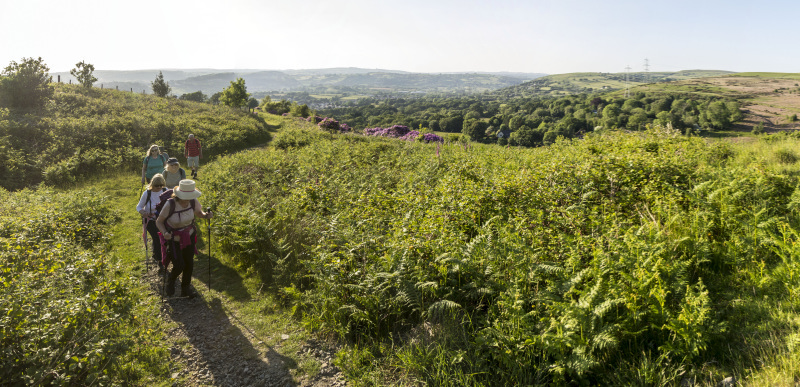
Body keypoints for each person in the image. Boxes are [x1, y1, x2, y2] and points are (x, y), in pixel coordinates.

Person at [156, 179, 213, 297]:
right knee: (179, 265)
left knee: (189, 263)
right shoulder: (170, 204)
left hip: (189, 235)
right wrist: (165, 232)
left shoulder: (193, 201)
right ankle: (171, 281)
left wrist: (206, 216)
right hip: (173, 238)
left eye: (190, 196)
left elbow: (199, 213)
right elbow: (159, 222)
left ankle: (185, 289)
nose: (188, 199)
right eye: (186, 196)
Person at [136, 174, 167, 272]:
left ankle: (161, 255)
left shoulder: (166, 191)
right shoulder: (147, 193)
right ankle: (160, 261)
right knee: (157, 238)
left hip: (163, 220)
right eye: (156, 185)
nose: (158, 187)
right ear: (152, 184)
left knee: (165, 239)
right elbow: (139, 207)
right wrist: (144, 213)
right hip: (151, 221)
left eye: (161, 185)